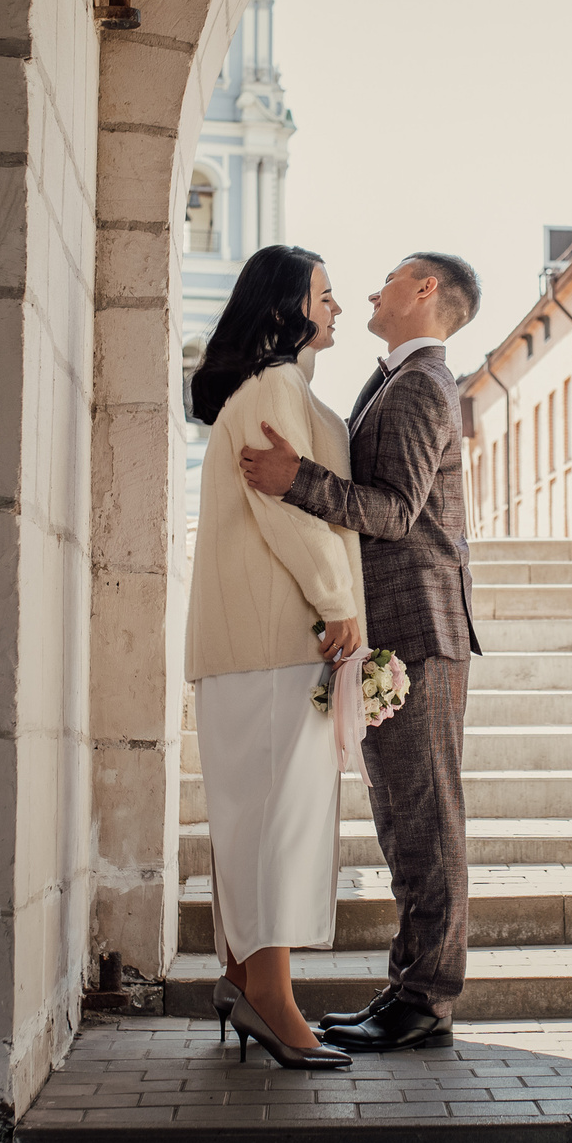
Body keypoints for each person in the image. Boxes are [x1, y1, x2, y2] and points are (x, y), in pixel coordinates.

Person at [240, 252, 482, 1052]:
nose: (372, 291)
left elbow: (393, 510)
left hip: (419, 628)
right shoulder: (397, 379)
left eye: (389, 278)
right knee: (403, 817)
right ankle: (410, 992)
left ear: (424, 292)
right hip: (398, 632)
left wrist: (294, 477)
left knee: (426, 818)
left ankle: (425, 1003)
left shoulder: (419, 383)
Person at [185, 244, 364, 1071]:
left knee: (254, 821)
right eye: (325, 294)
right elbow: (286, 510)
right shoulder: (274, 387)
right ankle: (272, 1000)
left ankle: (241, 979)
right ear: (290, 305)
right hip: (269, 640)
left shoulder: (270, 389)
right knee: (277, 827)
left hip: (249, 646)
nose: (335, 305)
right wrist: (338, 601)